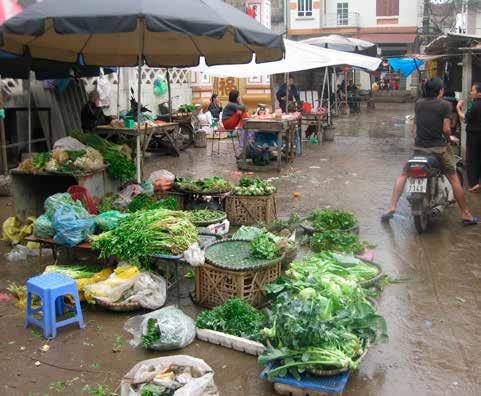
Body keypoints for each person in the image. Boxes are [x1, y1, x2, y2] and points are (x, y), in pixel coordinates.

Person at [382, 77, 477, 225]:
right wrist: (449, 139)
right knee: (453, 178)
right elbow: (446, 129)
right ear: (440, 91)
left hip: (419, 149)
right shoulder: (445, 105)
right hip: (438, 150)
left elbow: (414, 129)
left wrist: (420, 139)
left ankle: (392, 206)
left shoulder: (418, 103)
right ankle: (465, 214)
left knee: (403, 174)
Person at [457, 82, 481, 193]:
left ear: (479, 93)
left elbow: (465, 118)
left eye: (473, 90)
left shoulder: (474, 105)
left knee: (471, 159)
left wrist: (458, 108)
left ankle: (474, 183)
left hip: (474, 135)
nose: (471, 92)